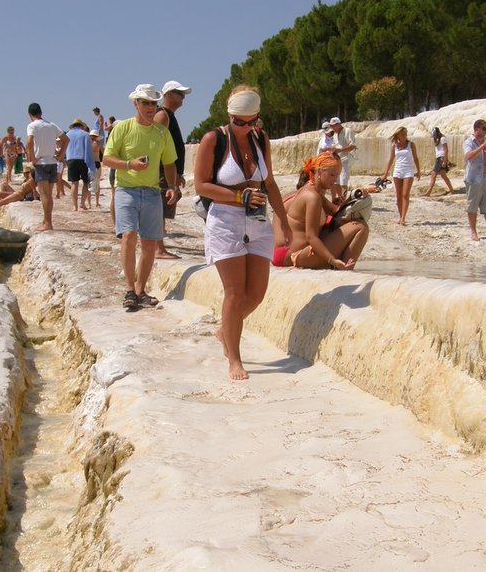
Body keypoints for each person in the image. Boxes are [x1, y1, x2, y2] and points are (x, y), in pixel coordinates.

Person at [193, 85, 292, 381]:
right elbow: (201, 185)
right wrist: (239, 198)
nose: (245, 128)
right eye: (240, 122)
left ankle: (225, 330)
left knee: (256, 294)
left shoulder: (261, 139)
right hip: (226, 220)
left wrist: (284, 221)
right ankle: (234, 359)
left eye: (252, 122)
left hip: (258, 220)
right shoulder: (214, 139)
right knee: (235, 294)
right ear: (230, 116)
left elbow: (270, 182)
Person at [102, 83, 179, 314]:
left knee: (149, 242)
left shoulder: (161, 132)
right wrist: (129, 165)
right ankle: (128, 289)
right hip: (126, 189)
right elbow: (107, 158)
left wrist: (173, 186)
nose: (149, 107)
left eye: (153, 103)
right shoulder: (123, 128)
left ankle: (139, 290)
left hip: (153, 192)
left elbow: (169, 162)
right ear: (136, 104)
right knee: (128, 236)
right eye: (145, 102)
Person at [272, 152, 368, 270]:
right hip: (293, 255)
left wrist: (359, 194)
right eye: (332, 175)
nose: (335, 180)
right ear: (319, 171)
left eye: (337, 176)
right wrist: (332, 259)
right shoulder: (313, 197)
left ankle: (342, 266)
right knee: (361, 227)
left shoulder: (312, 190)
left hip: (290, 251)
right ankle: (344, 268)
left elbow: (337, 212)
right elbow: (311, 237)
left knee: (348, 225)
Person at [153, 80, 190, 259]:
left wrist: (178, 174)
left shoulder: (168, 115)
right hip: (160, 172)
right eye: (180, 94)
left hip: (166, 172)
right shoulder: (162, 116)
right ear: (168, 95)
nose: (183, 97)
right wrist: (169, 174)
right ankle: (157, 249)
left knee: (160, 208)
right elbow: (156, 147)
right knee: (157, 208)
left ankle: (157, 246)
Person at [26, 102, 69, 232]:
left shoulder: (32, 126)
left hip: (41, 164)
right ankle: (46, 220)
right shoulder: (51, 125)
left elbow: (29, 142)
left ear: (30, 115)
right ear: (41, 113)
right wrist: (60, 155)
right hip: (52, 162)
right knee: (49, 195)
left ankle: (48, 223)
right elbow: (66, 139)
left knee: (44, 195)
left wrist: (32, 158)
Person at [379, 126, 421, 226]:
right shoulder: (394, 146)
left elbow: (415, 158)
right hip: (397, 171)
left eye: (405, 134)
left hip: (408, 171)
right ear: (398, 135)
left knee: (405, 194)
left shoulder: (411, 145)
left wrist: (419, 171)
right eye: (402, 134)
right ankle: (400, 215)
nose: (404, 136)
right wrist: (385, 173)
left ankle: (403, 218)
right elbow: (391, 160)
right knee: (398, 195)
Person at [65, 119, 96, 211]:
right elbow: (88, 151)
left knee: (74, 183)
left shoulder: (67, 134)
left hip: (70, 160)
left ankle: (75, 206)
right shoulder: (85, 134)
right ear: (81, 126)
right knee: (86, 182)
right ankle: (82, 203)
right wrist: (92, 166)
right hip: (83, 160)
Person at [328, 116, 357, 202]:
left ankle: (343, 201)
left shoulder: (348, 131)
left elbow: (353, 145)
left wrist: (341, 150)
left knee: (343, 180)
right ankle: (340, 199)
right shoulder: (335, 134)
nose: (332, 128)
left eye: (333, 125)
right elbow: (335, 145)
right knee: (336, 181)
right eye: (331, 126)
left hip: (347, 158)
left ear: (338, 124)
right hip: (338, 159)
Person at [423, 127, 454, 196]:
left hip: (441, 158)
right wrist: (435, 139)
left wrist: (445, 161)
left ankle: (428, 192)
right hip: (439, 158)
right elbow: (435, 144)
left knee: (433, 175)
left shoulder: (442, 138)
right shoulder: (438, 139)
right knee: (443, 176)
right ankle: (451, 191)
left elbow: (446, 150)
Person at [89, 129, 103, 208]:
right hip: (97, 163)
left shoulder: (88, 143)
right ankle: (97, 202)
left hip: (90, 163)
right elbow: (104, 152)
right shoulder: (98, 144)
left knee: (89, 183)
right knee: (97, 183)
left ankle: (89, 203)